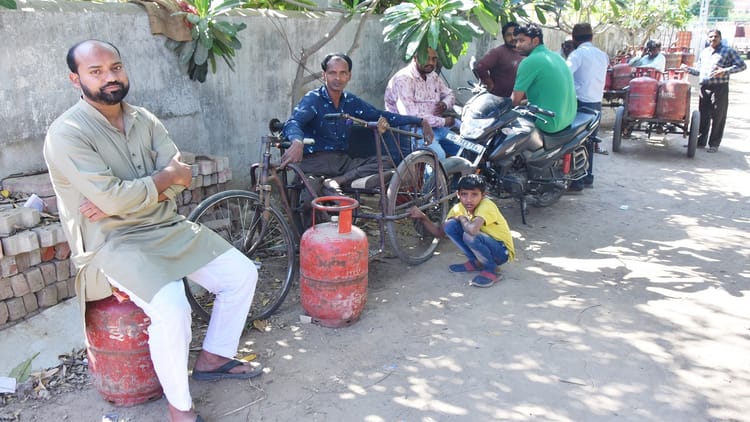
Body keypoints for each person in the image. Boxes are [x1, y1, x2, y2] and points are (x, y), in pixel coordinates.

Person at [43, 40, 261, 422]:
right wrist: (158, 182)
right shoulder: (67, 133)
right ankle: (180, 408)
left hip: (165, 225)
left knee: (242, 274)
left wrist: (131, 194)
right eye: (96, 72)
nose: (110, 77)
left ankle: (213, 358)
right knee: (173, 310)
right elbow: (135, 191)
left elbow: (182, 177)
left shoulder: (144, 119)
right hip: (112, 241)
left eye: (116, 67)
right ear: (75, 79)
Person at [281, 53, 434, 196]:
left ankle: (338, 181)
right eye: (332, 73)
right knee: (311, 200)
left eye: (343, 73)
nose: (338, 78)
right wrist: (297, 141)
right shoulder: (313, 99)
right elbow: (294, 122)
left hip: (342, 163)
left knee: (387, 162)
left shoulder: (350, 101)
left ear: (349, 76)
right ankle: (332, 187)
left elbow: (380, 115)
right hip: (315, 163)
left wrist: (419, 121)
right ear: (324, 75)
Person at [409, 174, 515, 288]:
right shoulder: (458, 208)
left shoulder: (487, 205)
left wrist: (462, 218)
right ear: (458, 194)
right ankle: (476, 262)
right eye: (464, 194)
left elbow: (473, 230)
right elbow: (439, 233)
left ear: (483, 195)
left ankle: (491, 269)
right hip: (485, 245)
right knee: (450, 225)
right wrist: (423, 217)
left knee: (469, 235)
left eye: (474, 194)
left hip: (501, 252)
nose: (469, 199)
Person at [385, 47, 459, 160]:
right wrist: (444, 121)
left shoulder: (432, 76)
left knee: (466, 148)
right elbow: (411, 115)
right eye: (427, 58)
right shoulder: (404, 79)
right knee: (438, 157)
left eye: (434, 59)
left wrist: (445, 104)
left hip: (437, 128)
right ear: (415, 58)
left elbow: (450, 95)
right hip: (412, 131)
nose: (431, 63)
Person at [681, 29, 746, 153]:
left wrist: (725, 71)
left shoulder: (728, 51)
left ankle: (714, 144)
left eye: (715, 36)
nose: (713, 39)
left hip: (719, 87)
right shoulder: (705, 52)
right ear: (707, 38)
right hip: (704, 87)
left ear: (720, 38)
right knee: (703, 115)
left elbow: (742, 66)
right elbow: (699, 71)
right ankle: (700, 142)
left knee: (718, 116)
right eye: (710, 37)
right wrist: (687, 69)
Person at [511, 23, 577, 134]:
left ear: (535, 41)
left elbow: (514, 101)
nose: (517, 45)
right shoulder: (557, 57)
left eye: (521, 41)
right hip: (568, 119)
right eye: (516, 41)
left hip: (548, 123)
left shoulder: (529, 61)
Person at [566, 23, 609, 191]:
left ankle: (577, 182)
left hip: (580, 103)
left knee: (575, 142)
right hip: (596, 103)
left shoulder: (577, 55)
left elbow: (565, 74)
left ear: (574, 39)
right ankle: (588, 177)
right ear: (592, 37)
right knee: (590, 142)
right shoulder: (602, 55)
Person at [474, 21, 522, 97]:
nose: (513, 37)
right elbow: (480, 67)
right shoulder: (498, 52)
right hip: (499, 99)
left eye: (515, 34)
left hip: (520, 100)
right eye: (508, 35)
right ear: (504, 37)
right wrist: (489, 84)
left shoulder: (525, 52)